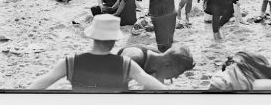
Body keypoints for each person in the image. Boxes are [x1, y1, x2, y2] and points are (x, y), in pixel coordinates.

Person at [28, 14, 167, 91]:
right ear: (113, 40)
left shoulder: (70, 62)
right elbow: (157, 86)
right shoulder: (126, 64)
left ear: (93, 37)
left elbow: (40, 84)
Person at [117, 43, 194, 83]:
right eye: (177, 73)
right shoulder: (135, 58)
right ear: (167, 65)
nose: (176, 77)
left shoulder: (160, 65)